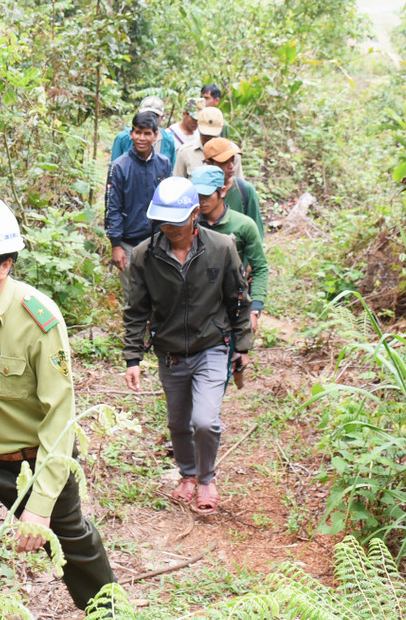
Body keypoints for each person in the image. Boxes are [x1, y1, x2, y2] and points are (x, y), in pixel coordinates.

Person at [0, 195, 115, 618]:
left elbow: (60, 420)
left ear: (5, 265)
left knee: (72, 542)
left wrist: (40, 506)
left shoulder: (38, 322)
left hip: (37, 458)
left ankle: (110, 613)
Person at [123, 177, 253, 515]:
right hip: (169, 352)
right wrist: (132, 357)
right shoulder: (144, 255)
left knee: (204, 421)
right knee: (179, 422)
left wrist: (242, 345)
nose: (169, 229)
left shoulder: (222, 247)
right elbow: (136, 310)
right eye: (163, 222)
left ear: (195, 214)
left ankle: (206, 478)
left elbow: (238, 299)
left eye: (176, 222)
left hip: (212, 345)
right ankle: (187, 474)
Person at [191, 165, 267, 332]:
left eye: (206, 195)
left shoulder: (244, 225)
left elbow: (260, 268)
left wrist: (255, 309)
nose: (201, 201)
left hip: (234, 304)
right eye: (197, 196)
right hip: (197, 306)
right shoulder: (189, 224)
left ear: (222, 192)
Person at [105, 111, 172, 298]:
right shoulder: (119, 167)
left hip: (158, 240)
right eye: (137, 132)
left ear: (155, 135)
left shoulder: (164, 164)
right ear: (131, 134)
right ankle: (135, 328)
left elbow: (169, 201)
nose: (141, 138)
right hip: (128, 243)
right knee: (133, 296)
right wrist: (116, 245)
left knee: (159, 293)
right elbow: (112, 208)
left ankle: (156, 328)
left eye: (147, 133)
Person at [203, 138, 264, 238]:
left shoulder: (245, 190)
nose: (231, 166)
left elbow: (257, 233)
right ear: (209, 163)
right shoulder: (199, 192)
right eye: (224, 162)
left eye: (232, 160)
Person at [172, 107, 242, 179]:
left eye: (213, 135)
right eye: (205, 135)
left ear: (222, 127)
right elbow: (178, 183)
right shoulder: (185, 152)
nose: (209, 139)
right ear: (197, 125)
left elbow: (238, 183)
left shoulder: (232, 151)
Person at [110, 95, 176, 169]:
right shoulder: (123, 138)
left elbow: (171, 171)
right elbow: (114, 168)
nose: (150, 119)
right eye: (146, 114)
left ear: (162, 117)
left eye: (155, 116)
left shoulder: (168, 141)